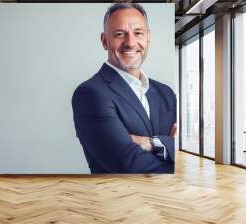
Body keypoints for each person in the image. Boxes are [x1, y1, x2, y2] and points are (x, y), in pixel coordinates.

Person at [72, 3, 177, 173]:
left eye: (138, 33)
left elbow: (184, 151)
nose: (130, 42)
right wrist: (172, 152)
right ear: (105, 41)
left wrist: (152, 143)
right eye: (120, 34)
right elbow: (127, 164)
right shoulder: (90, 94)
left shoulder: (166, 93)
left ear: (148, 37)